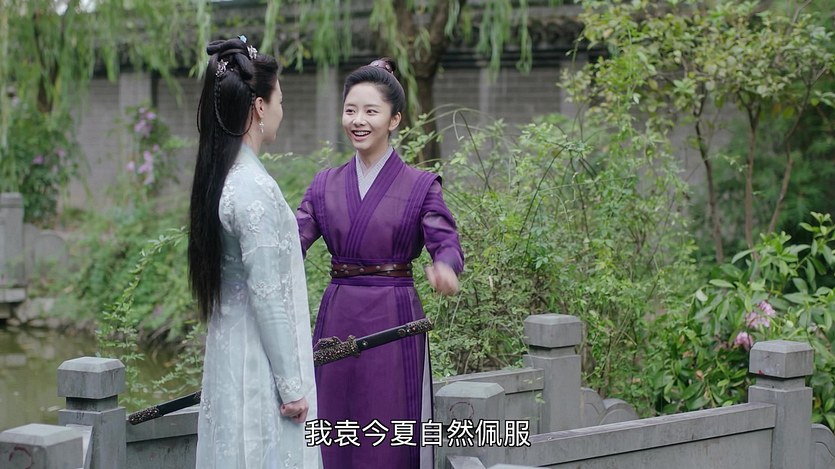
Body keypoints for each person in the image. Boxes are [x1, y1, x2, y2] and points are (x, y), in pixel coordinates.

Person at [296, 57, 464, 469]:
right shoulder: (323, 185)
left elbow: (445, 241)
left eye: (371, 111)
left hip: (394, 316)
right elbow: (288, 243)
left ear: (394, 119)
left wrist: (446, 267)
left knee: (387, 428)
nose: (358, 120)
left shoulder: (421, 185)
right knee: (333, 425)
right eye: (350, 110)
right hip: (338, 314)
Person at [188, 36, 320, 468]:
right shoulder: (253, 188)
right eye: (280, 99)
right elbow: (267, 296)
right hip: (257, 364)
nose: (282, 109)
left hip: (230, 352)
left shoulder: (222, 178)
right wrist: (292, 388)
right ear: (260, 107)